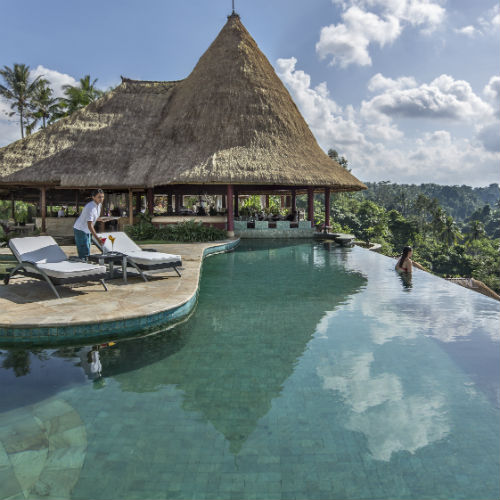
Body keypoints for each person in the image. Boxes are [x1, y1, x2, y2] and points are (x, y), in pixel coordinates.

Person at [73, 189, 104, 259]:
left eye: (102, 197)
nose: (101, 199)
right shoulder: (90, 207)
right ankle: (82, 266)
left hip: (87, 230)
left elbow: (94, 218)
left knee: (87, 248)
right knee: (84, 250)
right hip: (80, 229)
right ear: (93, 197)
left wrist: (101, 219)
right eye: (99, 197)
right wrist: (98, 239)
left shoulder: (99, 205)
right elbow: (90, 225)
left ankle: (85, 263)